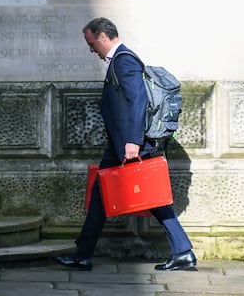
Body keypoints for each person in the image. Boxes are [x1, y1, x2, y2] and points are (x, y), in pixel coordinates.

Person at [53, 17, 196, 271]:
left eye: (91, 43)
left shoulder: (124, 60)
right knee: (103, 196)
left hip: (130, 146)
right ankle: (83, 253)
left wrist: (133, 141)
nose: (90, 49)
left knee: (151, 197)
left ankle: (182, 251)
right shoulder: (120, 60)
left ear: (102, 37)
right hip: (120, 145)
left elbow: (137, 101)